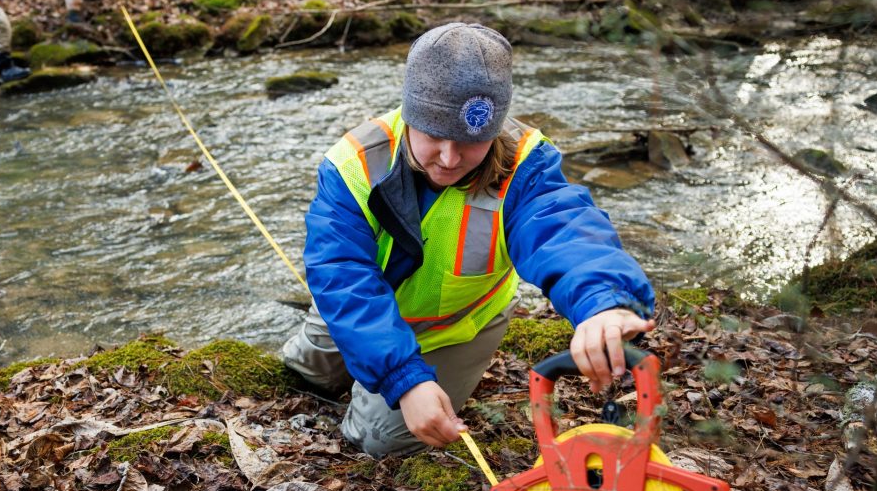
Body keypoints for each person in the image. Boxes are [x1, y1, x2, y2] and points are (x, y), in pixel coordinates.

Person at [282, 23, 657, 458]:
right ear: (410, 118)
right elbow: (343, 277)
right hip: (367, 304)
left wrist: (603, 302)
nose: (448, 158)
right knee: (304, 371)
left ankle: (387, 375)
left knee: (379, 441)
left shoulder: (525, 166)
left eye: (469, 142)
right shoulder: (352, 164)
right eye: (433, 136)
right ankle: (356, 358)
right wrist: (403, 376)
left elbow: (564, 228)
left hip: (457, 326)